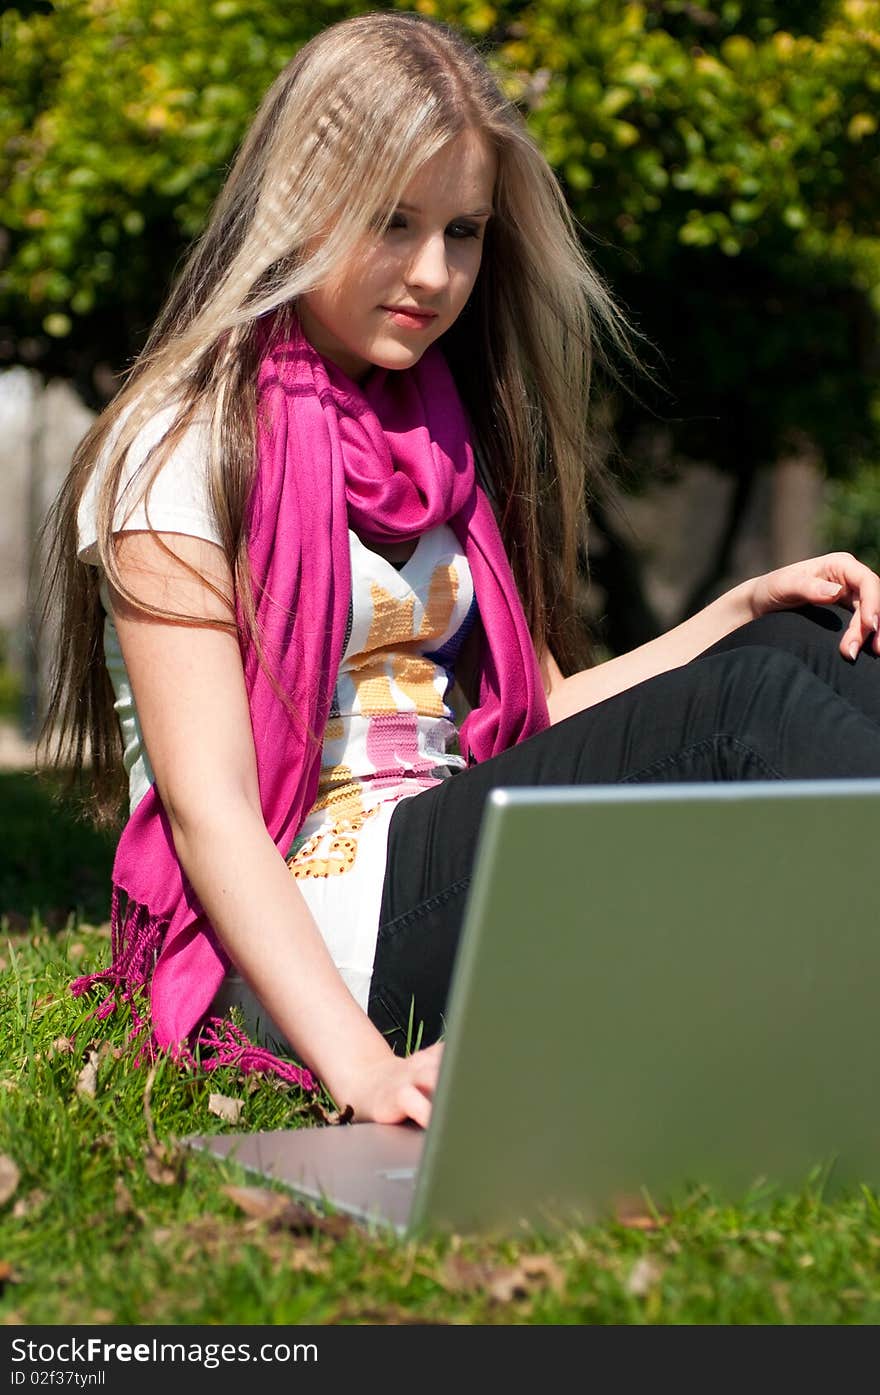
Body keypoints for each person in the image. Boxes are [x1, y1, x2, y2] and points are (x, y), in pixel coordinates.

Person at [40, 10, 880, 1131]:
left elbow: (542, 710)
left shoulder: (429, 436)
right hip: (317, 934)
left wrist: (739, 607)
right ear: (299, 200)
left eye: (464, 231)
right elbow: (212, 812)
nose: (434, 274)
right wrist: (364, 1071)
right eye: (392, 222)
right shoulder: (179, 444)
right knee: (755, 702)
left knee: (794, 645)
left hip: (442, 855)